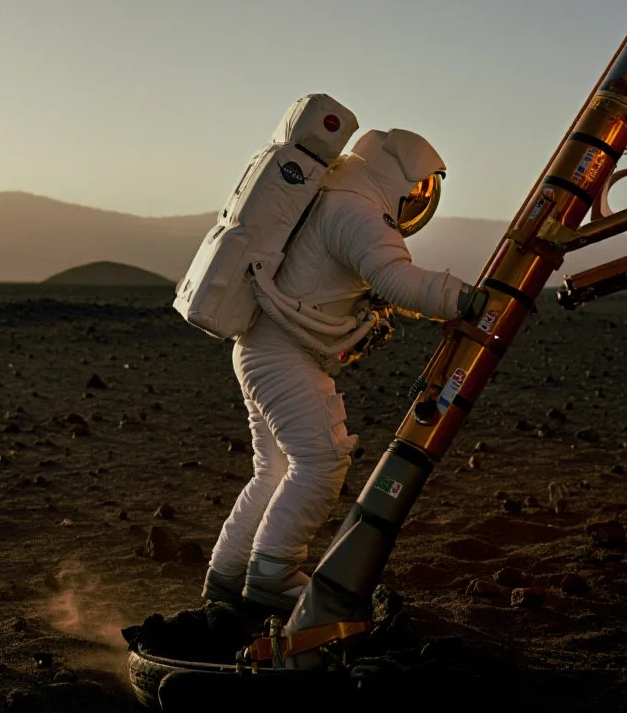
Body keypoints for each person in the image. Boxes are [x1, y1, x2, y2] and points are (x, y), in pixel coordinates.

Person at [202, 126, 472, 611]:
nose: (417, 201)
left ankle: (228, 577)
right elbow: (395, 279)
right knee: (321, 459)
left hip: (261, 349)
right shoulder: (356, 209)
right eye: (419, 189)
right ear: (401, 174)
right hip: (282, 356)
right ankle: (272, 576)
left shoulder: (335, 192)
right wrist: (467, 299)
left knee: (275, 468)